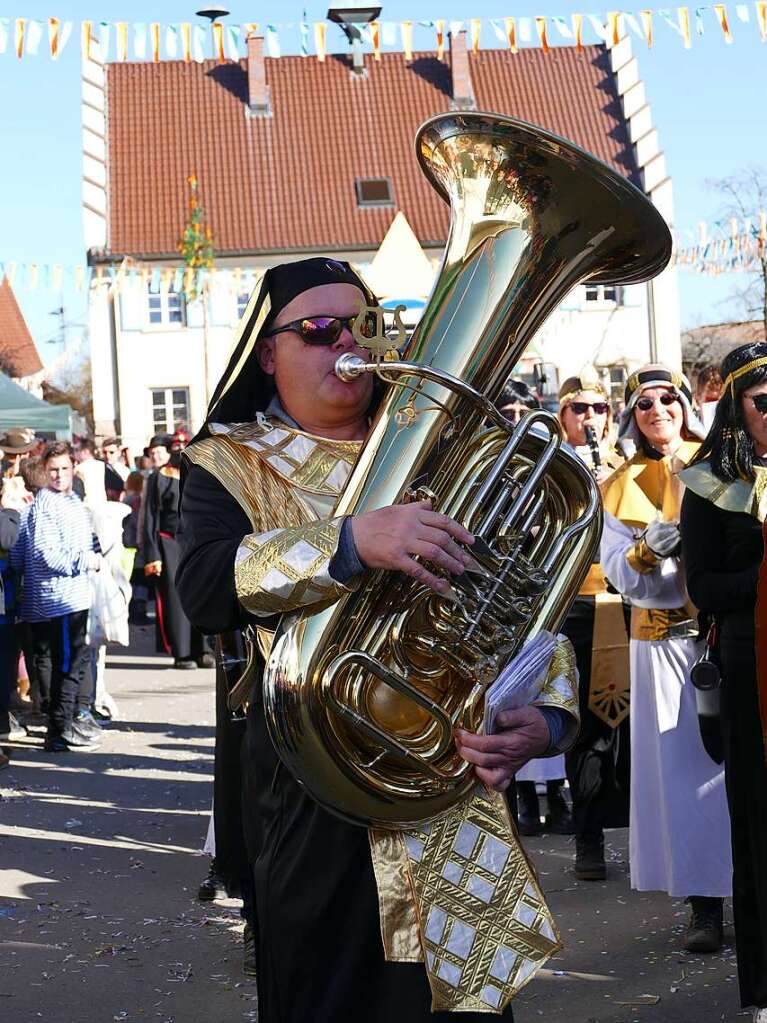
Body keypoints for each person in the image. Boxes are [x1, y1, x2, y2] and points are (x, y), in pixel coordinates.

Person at [176, 257, 580, 1021]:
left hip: (449, 780)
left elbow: (519, 594)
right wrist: (351, 539)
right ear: (269, 353)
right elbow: (202, 586)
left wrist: (547, 715)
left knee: (463, 1003)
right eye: (320, 330)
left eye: (363, 326)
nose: (349, 344)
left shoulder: (442, 448)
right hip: (314, 784)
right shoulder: (227, 462)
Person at [600, 364, 732, 951]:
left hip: (723, 634)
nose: (659, 410)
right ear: (634, 413)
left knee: (735, 770)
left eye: (668, 399)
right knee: (686, 778)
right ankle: (706, 904)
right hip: (661, 646)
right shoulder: (618, 485)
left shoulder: (722, 463)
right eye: (645, 402)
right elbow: (621, 576)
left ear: (684, 404)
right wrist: (647, 553)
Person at [679, 341, 767, 1021]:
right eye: (763, 401)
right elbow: (702, 585)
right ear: (735, 408)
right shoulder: (709, 482)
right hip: (748, 669)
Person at [557, 369, 630, 879]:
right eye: (579, 409)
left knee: (635, 727)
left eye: (598, 409)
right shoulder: (546, 466)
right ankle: (588, 838)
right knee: (587, 725)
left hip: (631, 601)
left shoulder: (628, 464)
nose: (590, 418)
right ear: (562, 416)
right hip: (578, 604)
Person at [493, 380, 573, 836]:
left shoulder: (550, 468)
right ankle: (521, 800)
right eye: (508, 409)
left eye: (525, 408)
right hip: (500, 604)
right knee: (505, 705)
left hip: (536, 598)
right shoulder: (487, 469)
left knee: (542, 702)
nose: (518, 417)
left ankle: (558, 801)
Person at [10, 442, 102, 752]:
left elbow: (20, 556)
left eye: (65, 468)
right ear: (45, 472)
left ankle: (58, 724)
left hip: (55, 599)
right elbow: (44, 553)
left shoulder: (69, 501)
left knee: (52, 663)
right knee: (68, 664)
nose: (60, 474)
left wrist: (94, 551)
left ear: (73, 468)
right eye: (54, 470)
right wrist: (85, 561)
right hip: (62, 598)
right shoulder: (47, 504)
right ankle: (60, 728)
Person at [143, 429, 212, 669]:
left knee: (202, 592)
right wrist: (152, 555)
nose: (180, 448)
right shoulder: (159, 477)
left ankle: (203, 649)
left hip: (196, 540)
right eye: (176, 445)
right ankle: (183, 653)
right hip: (168, 542)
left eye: (185, 443)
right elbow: (150, 517)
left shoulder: (200, 469)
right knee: (175, 597)